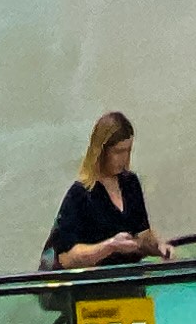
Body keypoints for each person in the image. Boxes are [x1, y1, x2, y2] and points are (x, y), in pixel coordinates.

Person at [44, 110, 171, 270]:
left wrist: (158, 246)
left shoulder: (130, 183)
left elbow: (142, 232)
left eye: (128, 150)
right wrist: (110, 246)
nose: (124, 158)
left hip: (132, 281)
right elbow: (66, 258)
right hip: (94, 286)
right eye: (118, 152)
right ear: (101, 151)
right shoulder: (80, 194)